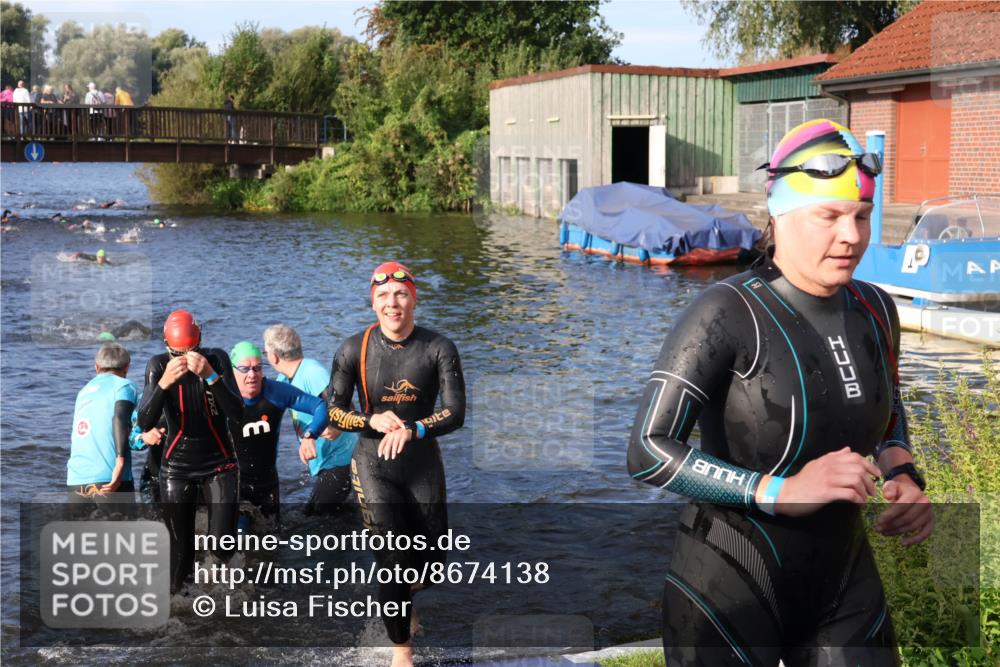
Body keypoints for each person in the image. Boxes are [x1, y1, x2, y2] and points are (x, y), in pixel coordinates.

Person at [627, 119, 933, 666]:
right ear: (781, 216)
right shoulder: (725, 312)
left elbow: (884, 411)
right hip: (729, 582)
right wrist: (778, 491)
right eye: (830, 216)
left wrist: (902, 472)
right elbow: (649, 450)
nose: (852, 236)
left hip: (843, 580)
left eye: (862, 216)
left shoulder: (877, 309)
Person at [326, 261, 466, 667]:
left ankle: (405, 598)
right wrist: (369, 419)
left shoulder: (438, 347)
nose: (393, 304)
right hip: (373, 464)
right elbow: (335, 411)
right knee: (392, 557)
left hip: (421, 462)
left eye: (401, 295)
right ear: (373, 303)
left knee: (432, 564)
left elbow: (455, 413)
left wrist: (415, 428)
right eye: (384, 296)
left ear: (414, 299)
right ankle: (401, 651)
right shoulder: (353, 349)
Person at [136, 309, 244, 593]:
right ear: (167, 348)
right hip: (176, 467)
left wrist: (210, 376)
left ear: (201, 343)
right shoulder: (158, 366)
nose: (184, 360)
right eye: (177, 353)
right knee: (181, 551)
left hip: (219, 460)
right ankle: (178, 612)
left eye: (191, 351)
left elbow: (237, 413)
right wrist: (163, 385)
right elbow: (144, 421)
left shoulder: (217, 359)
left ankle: (214, 586)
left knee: (223, 545)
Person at [226, 340, 329, 527]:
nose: (252, 375)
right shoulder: (219, 396)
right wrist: (154, 428)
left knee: (273, 543)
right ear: (232, 371)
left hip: (267, 485)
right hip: (232, 485)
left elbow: (320, 406)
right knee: (240, 538)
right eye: (244, 369)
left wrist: (310, 435)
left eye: (257, 368)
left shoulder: (275, 392)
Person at [263, 324, 359, 516]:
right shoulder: (285, 378)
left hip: (341, 459)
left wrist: (336, 428)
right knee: (313, 514)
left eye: (264, 352)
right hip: (325, 461)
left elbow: (347, 409)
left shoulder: (312, 373)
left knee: (320, 519)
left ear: (273, 356)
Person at [67, 343, 136, 503]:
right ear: (127, 367)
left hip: (76, 480)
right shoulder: (124, 385)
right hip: (110, 478)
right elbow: (119, 417)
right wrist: (120, 463)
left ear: (96, 367)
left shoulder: (83, 391)